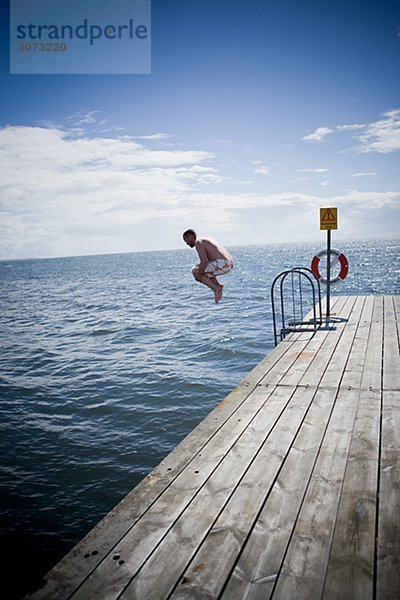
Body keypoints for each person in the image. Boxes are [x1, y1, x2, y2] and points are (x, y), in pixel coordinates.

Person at [182, 229, 234, 303]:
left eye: (186, 240)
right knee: (204, 269)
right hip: (228, 263)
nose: (186, 243)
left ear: (190, 237)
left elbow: (204, 261)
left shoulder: (198, 242)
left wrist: (198, 276)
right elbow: (209, 262)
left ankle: (215, 288)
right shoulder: (206, 240)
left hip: (223, 264)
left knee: (195, 270)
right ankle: (218, 285)